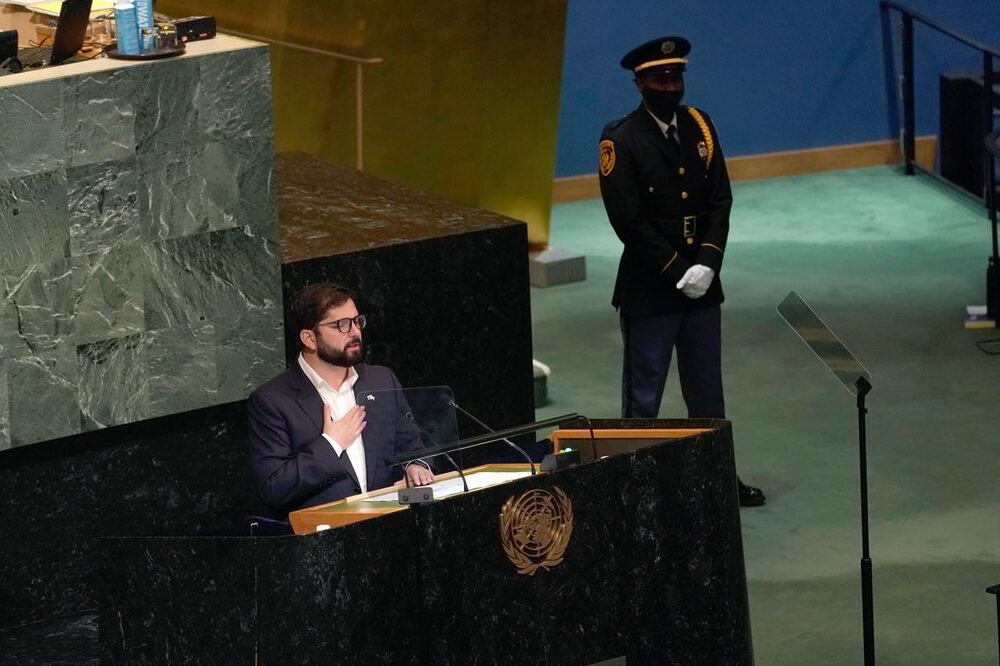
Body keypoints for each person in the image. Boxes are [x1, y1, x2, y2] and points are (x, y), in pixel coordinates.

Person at [598, 36, 765, 507]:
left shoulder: (699, 127)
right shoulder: (621, 138)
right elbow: (627, 220)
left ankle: (717, 481)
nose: (671, 86)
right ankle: (637, 493)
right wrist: (679, 270)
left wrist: (708, 263)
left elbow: (719, 200)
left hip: (703, 289)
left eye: (676, 77)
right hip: (652, 288)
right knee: (644, 398)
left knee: (708, 392)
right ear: (640, 83)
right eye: (660, 79)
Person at [248, 282, 433, 516]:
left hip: (392, 526)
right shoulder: (273, 400)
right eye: (341, 325)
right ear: (309, 338)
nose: (355, 331)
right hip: (326, 542)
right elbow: (274, 488)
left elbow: (413, 446)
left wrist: (417, 465)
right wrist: (331, 444)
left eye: (357, 321)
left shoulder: (381, 379)